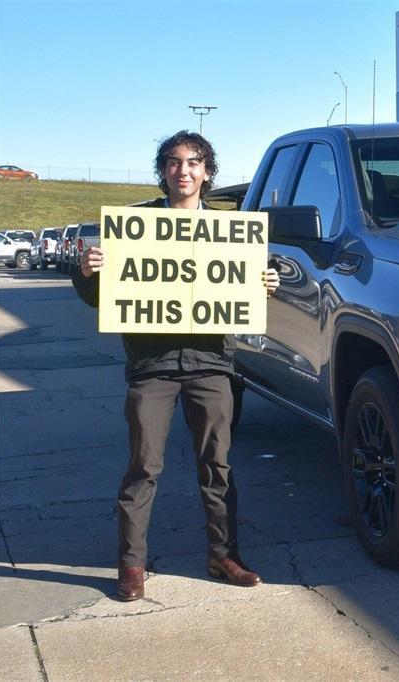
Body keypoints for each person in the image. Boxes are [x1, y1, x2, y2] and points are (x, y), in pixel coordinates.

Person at [73, 131, 279, 601]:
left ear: (207, 172)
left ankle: (223, 554)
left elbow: (244, 297)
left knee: (218, 465)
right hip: (152, 365)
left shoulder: (233, 233)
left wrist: (262, 284)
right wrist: (88, 272)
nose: (183, 170)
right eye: (173, 162)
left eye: (194, 162)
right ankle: (131, 565)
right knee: (143, 466)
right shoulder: (136, 226)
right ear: (162, 170)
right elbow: (99, 298)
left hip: (211, 363)